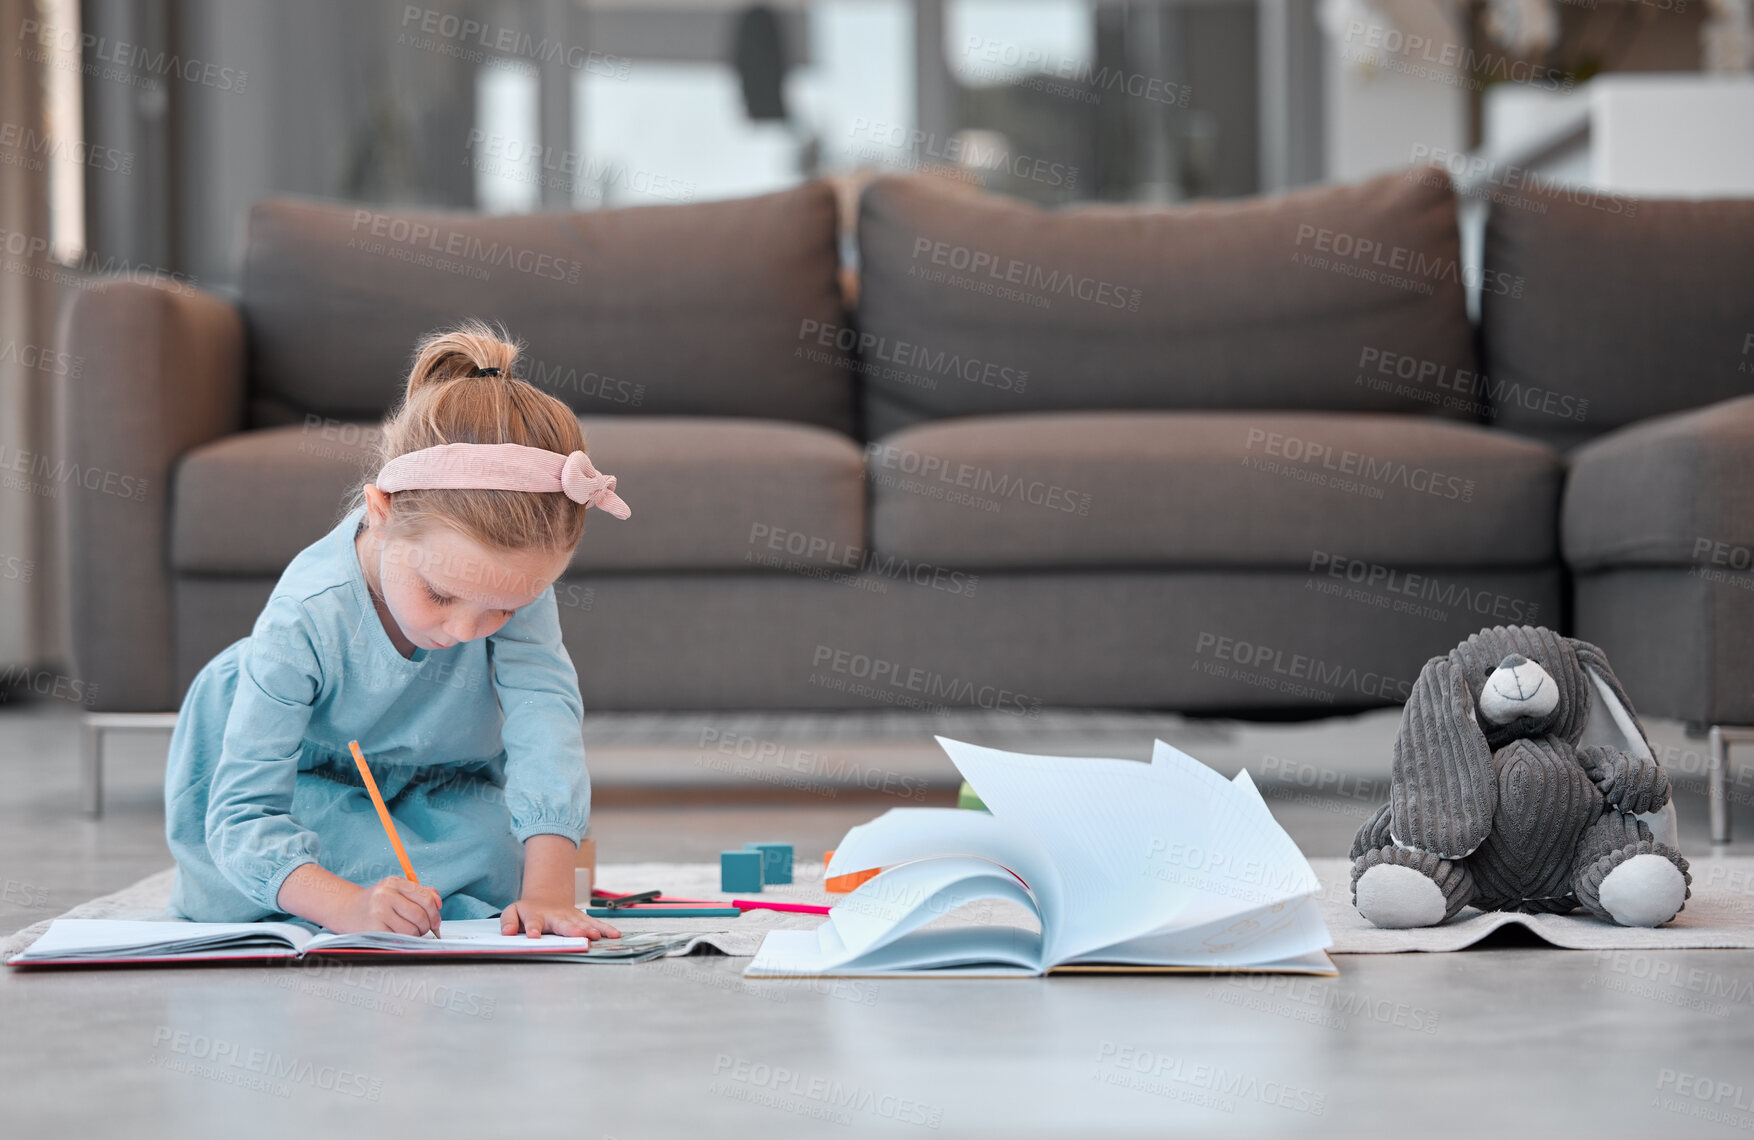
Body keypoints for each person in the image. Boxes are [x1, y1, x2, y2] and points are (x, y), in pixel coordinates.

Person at [164, 321, 626, 940]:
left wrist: (547, 893)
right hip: (303, 778)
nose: (467, 630)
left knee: (506, 857)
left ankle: (401, 883)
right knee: (235, 882)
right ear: (381, 512)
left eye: (502, 611)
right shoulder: (305, 613)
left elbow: (545, 721)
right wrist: (346, 907)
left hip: (434, 780)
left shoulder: (511, 583)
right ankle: (349, 891)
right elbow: (245, 815)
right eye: (440, 594)